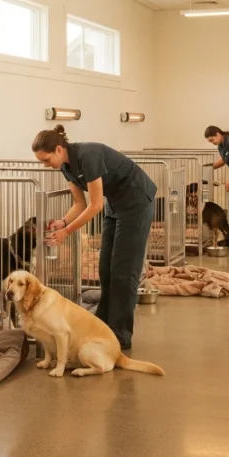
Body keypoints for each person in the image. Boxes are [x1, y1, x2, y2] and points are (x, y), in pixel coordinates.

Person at [33, 125, 157, 351]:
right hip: (115, 205)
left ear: (59, 149)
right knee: (106, 270)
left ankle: (120, 337)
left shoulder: (87, 155)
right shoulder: (66, 167)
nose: (45, 165)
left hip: (136, 201)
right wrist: (63, 222)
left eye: (46, 160)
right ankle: (103, 327)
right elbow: (79, 204)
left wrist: (67, 232)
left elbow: (95, 205)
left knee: (123, 271)